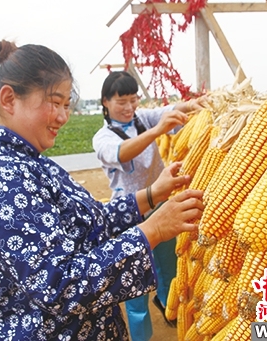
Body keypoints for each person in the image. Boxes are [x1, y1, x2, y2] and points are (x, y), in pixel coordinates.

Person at [0, 39, 205, 341]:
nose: (63, 116)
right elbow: (58, 286)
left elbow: (90, 222)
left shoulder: (29, 163)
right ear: (9, 100)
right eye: (54, 103)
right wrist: (151, 230)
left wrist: (152, 193)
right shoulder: (1, 180)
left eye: (66, 105)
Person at [92, 71, 208, 340]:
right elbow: (122, 153)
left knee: (168, 265)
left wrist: (192, 105)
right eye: (122, 101)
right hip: (128, 213)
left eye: (133, 100)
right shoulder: (103, 137)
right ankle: (141, 331)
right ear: (105, 102)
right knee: (134, 281)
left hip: (161, 206)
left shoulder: (141, 118)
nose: (129, 107)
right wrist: (158, 131)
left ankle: (168, 307)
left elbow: (171, 109)